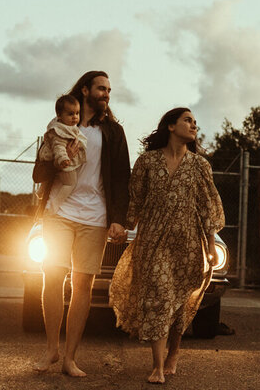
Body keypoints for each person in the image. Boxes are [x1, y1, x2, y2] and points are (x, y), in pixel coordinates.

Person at [109, 107, 225, 384]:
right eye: (188, 120)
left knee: (179, 303)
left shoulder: (199, 165)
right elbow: (134, 200)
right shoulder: (147, 162)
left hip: (187, 243)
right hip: (153, 240)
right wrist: (123, 227)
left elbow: (207, 207)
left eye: (196, 122)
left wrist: (209, 244)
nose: (194, 125)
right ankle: (158, 366)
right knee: (159, 297)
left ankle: (174, 351)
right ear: (171, 126)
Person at [32, 70, 130, 378]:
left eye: (109, 90)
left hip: (95, 216)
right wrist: (61, 159)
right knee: (52, 277)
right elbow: (39, 174)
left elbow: (122, 179)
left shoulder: (113, 132)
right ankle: (51, 349)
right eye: (101, 88)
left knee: (83, 285)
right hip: (59, 212)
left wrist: (117, 219)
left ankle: (70, 358)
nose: (106, 94)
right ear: (85, 90)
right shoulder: (57, 129)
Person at [34, 95, 87, 217]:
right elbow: (59, 146)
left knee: (51, 176)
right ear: (59, 115)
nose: (75, 117)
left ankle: (41, 189)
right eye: (70, 114)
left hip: (53, 158)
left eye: (77, 113)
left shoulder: (61, 126)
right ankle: (53, 207)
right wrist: (64, 158)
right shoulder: (61, 131)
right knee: (70, 183)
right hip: (61, 160)